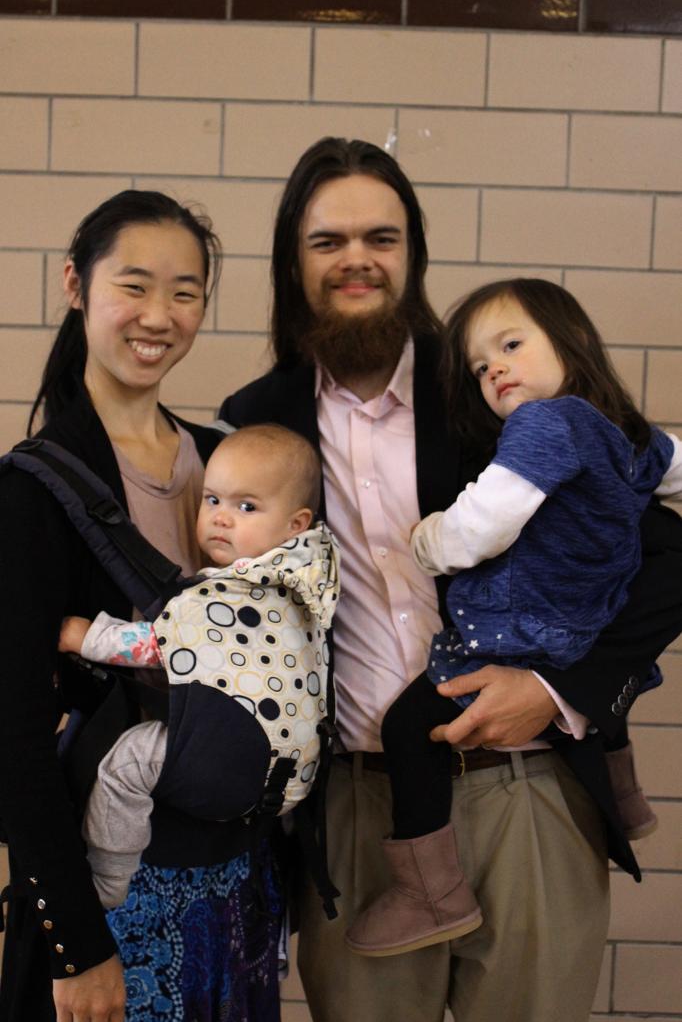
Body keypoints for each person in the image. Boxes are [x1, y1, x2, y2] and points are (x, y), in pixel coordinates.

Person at [219, 138, 682, 1022]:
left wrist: (556, 687)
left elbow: (666, 551)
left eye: (382, 238)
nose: (358, 258)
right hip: (362, 814)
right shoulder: (252, 422)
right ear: (293, 259)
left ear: (413, 254)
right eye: (329, 241)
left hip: (529, 792)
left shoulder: (493, 394)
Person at [0, 191, 282, 1022]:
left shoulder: (232, 463)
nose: (159, 315)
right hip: (109, 896)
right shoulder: (35, 490)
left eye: (186, 291)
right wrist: (76, 942)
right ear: (75, 286)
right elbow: (12, 733)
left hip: (232, 886)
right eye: (134, 285)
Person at [344, 277, 682, 958]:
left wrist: (429, 541)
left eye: (511, 345)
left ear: (574, 341)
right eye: (479, 364)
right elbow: (675, 470)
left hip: (520, 631)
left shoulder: (539, 426)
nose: (493, 367)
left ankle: (428, 892)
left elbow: (485, 524)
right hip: (586, 617)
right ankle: (626, 794)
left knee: (411, 722)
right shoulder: (628, 437)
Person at [58, 424, 339, 910]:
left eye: (246, 506)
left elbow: (159, 644)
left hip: (235, 767)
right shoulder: (306, 585)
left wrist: (85, 636)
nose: (221, 519)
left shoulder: (233, 593)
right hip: (290, 779)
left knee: (127, 762)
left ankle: (107, 881)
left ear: (297, 524)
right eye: (212, 500)